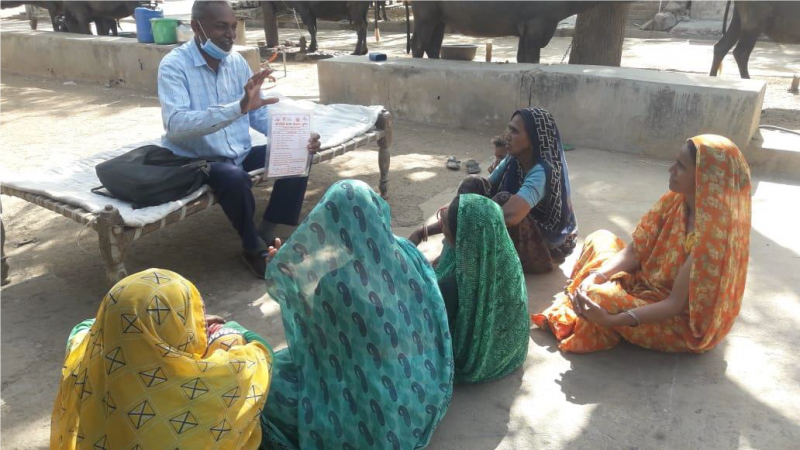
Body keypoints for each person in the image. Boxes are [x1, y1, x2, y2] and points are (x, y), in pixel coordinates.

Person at [261, 180, 454, 449]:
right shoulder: (407, 252)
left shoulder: (335, 285)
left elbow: (313, 339)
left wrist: (281, 268)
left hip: (371, 412)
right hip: (418, 384)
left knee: (265, 383)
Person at [532, 135, 752, 353]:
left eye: (681, 166)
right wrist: (595, 277)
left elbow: (674, 305)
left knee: (599, 298)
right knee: (601, 238)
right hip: (646, 284)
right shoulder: (676, 200)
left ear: (705, 178)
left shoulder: (713, 236)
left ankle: (586, 306)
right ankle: (584, 300)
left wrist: (612, 320)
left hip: (677, 320)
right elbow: (636, 252)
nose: (671, 169)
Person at [157, 0, 321, 278]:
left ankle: (266, 230)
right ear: (197, 27)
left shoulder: (236, 63)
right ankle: (251, 246)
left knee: (299, 151)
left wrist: (295, 136)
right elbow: (175, 125)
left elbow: (255, 115)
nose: (230, 34)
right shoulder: (174, 66)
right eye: (221, 26)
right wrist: (238, 107)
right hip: (195, 160)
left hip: (237, 153)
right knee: (233, 178)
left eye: (233, 27)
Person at [50, 269, 274, 449]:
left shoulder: (84, 356)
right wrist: (230, 330)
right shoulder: (213, 383)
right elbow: (263, 354)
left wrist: (120, 317)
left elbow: (83, 327)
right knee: (230, 340)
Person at [410, 107, 578, 274]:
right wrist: (424, 231)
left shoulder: (543, 171)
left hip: (547, 251)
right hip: (522, 235)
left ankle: (455, 259)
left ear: (534, 139)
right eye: (509, 128)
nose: (507, 136)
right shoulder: (514, 159)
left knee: (501, 202)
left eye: (514, 131)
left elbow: (510, 215)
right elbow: (478, 197)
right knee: (473, 184)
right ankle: (455, 255)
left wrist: (454, 226)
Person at [435, 194, 530, 383]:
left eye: (444, 226)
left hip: (475, 359)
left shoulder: (452, 285)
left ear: (461, 238)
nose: (441, 225)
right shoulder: (502, 252)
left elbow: (428, 321)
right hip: (513, 348)